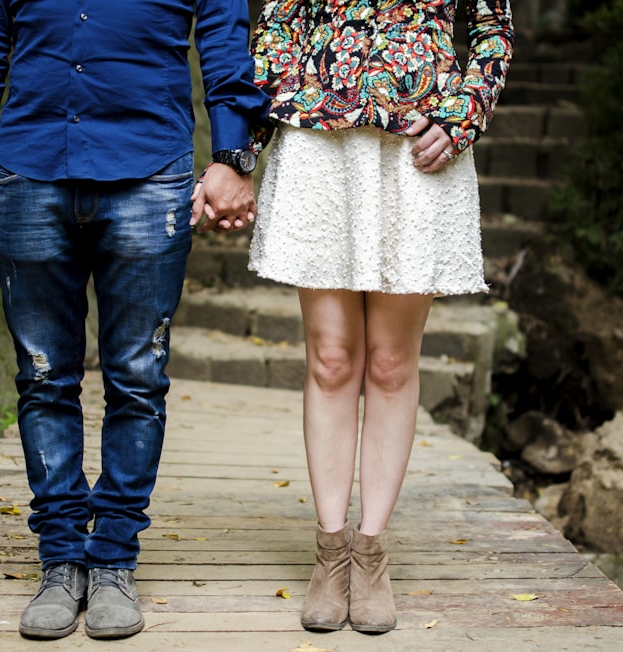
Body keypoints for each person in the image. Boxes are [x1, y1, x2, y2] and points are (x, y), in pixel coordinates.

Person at [0, 0, 268, 641]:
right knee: (43, 377)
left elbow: (226, 37)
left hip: (149, 170)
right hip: (28, 168)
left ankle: (114, 556)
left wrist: (232, 153)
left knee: (138, 377)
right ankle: (61, 557)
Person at [248, 0, 514, 634]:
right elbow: (277, 23)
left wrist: (461, 115)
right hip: (321, 142)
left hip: (418, 147)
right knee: (332, 358)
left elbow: (492, 31)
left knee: (392, 365)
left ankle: (371, 554)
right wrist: (294, 96)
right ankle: (330, 552)